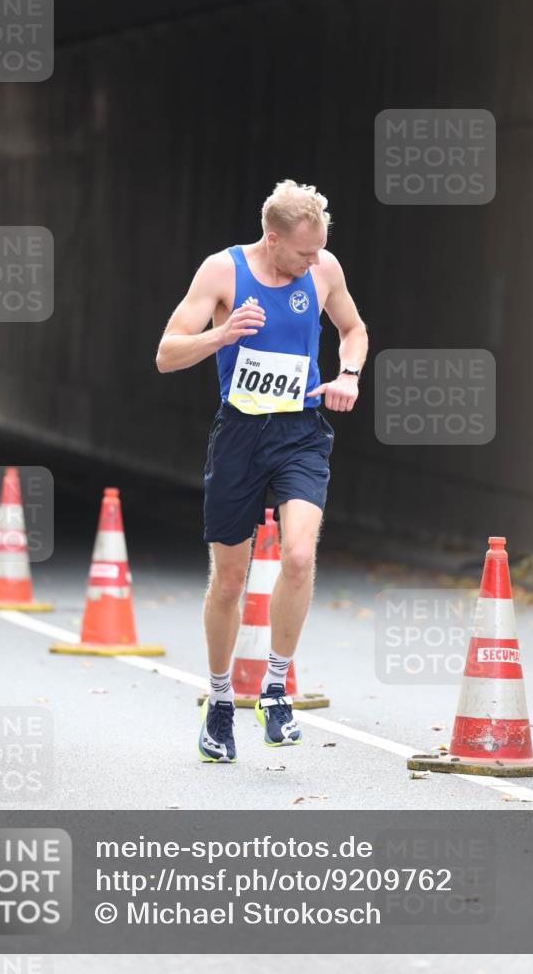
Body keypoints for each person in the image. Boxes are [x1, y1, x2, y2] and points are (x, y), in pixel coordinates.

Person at [156, 179, 368, 762]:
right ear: (272, 239)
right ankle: (220, 701)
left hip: (300, 431)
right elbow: (167, 351)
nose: (313, 260)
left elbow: (354, 329)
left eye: (319, 249)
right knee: (229, 581)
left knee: (298, 555)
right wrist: (223, 334)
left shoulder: (324, 269)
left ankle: (275, 688)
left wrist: (348, 374)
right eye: (302, 251)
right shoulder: (222, 272)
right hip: (240, 435)